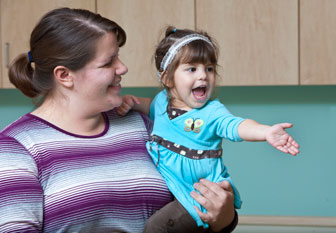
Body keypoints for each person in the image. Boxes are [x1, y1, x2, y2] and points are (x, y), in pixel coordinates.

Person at [0, 8, 238, 233]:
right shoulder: (16, 148)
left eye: (119, 57)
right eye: (108, 62)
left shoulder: (141, 125)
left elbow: (188, 208)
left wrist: (223, 218)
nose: (122, 68)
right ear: (64, 75)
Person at [117, 26, 300, 232]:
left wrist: (265, 132)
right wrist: (132, 102)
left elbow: (236, 125)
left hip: (197, 195)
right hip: (174, 189)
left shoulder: (212, 112)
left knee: (155, 228)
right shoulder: (161, 103)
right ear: (167, 78)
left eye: (209, 68)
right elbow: (150, 107)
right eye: (192, 69)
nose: (203, 75)